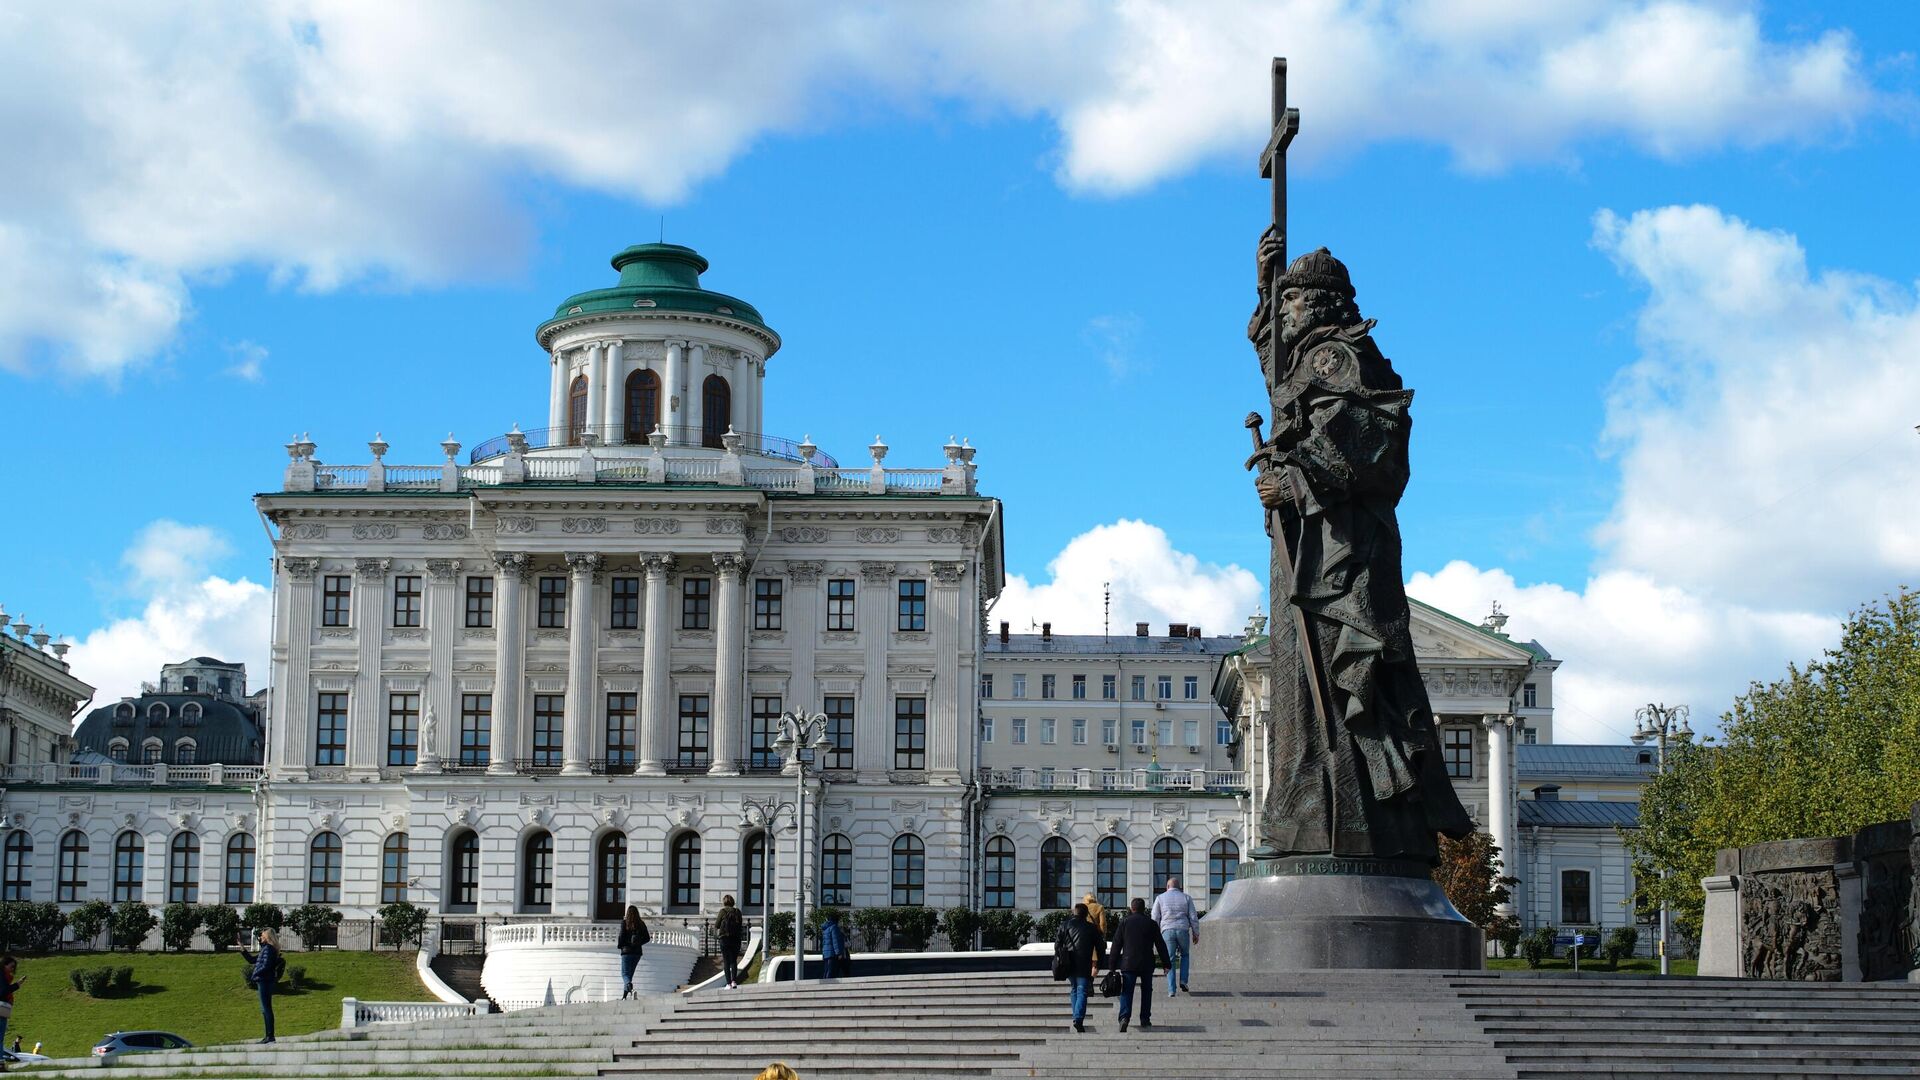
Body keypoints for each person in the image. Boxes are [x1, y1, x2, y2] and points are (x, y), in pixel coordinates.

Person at [1107, 898, 1173, 1032]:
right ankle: (1145, 1019)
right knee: (1147, 991)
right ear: (1144, 909)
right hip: (1147, 963)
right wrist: (1167, 963)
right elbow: (1160, 945)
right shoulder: (1152, 924)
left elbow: (1116, 945)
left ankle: (1124, 1017)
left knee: (1126, 991)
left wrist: (1112, 966)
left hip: (1128, 963)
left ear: (1132, 908)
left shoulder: (1124, 922)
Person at [1054, 903, 1101, 1033]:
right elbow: (1100, 947)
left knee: (1074, 989)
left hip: (1068, 963)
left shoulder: (1065, 925)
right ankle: (1078, 1018)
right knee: (1082, 990)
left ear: (1074, 913)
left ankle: (1076, 1016)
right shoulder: (1091, 928)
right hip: (1084, 963)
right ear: (1086, 914)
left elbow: (1057, 945)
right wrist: (1099, 963)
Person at [1150, 877, 1199, 996]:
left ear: (1167, 887)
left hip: (1167, 930)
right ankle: (1183, 981)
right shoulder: (1186, 897)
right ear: (1179, 887)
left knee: (1170, 959)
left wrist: (1154, 934)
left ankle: (1171, 990)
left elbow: (1155, 917)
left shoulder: (1160, 898)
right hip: (1182, 929)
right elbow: (1193, 916)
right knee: (1185, 955)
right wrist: (1195, 932)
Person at [240, 930, 279, 1043]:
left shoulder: (269, 949)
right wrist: (242, 948)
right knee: (265, 1008)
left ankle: (270, 1036)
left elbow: (266, 966)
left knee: (266, 1008)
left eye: (262, 936)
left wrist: (256, 974)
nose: (260, 938)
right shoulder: (266, 949)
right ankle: (269, 1036)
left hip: (264, 980)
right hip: (264, 980)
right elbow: (252, 960)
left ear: (267, 937)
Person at [617, 906, 650, 999]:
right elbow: (647, 938)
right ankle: (624, 997)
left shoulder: (624, 923)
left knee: (625, 974)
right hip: (637, 953)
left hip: (626, 952)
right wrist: (638, 943)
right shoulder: (641, 923)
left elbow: (621, 936)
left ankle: (630, 988)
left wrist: (620, 946)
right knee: (629, 975)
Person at [714, 896, 746, 989]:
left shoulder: (722, 911)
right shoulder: (737, 912)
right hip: (735, 939)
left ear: (724, 902)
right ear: (733, 902)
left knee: (726, 961)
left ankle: (728, 984)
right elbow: (740, 924)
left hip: (725, 939)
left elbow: (717, 925)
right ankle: (734, 981)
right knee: (733, 961)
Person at [0, 955, 22, 1052]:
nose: (12, 969)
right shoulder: (1, 976)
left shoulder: (4, 976)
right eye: (11, 966)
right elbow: (3, 991)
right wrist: (17, 985)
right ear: (5, 965)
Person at [820, 910, 851, 979]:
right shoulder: (834, 927)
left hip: (826, 953)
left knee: (827, 971)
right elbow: (835, 942)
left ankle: (824, 985)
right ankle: (827, 986)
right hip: (832, 953)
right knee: (831, 972)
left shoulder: (826, 928)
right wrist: (839, 953)